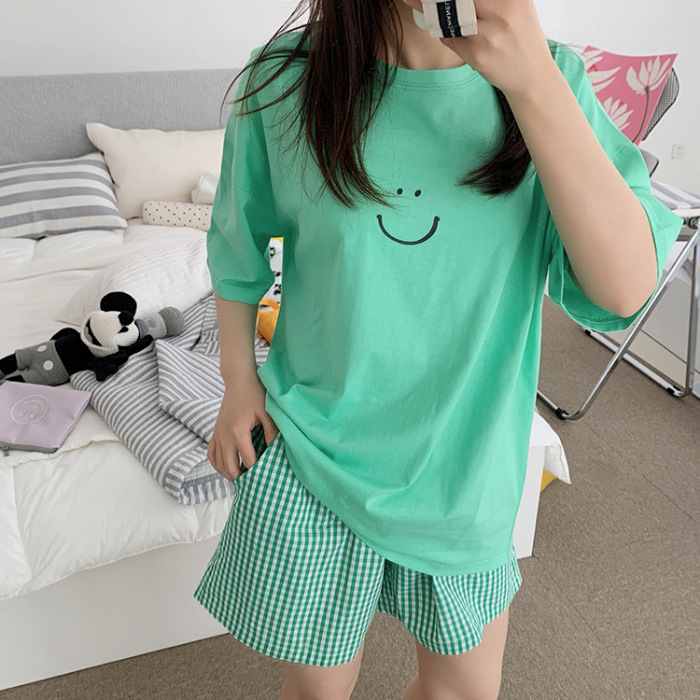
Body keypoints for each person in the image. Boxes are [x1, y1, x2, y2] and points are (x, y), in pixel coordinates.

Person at [195, 1, 683, 698]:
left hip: (465, 472)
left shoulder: (553, 78)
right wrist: (238, 382)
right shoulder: (284, 80)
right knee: (317, 691)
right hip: (315, 455)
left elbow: (624, 290)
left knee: (464, 691)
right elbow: (236, 246)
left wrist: (533, 82)